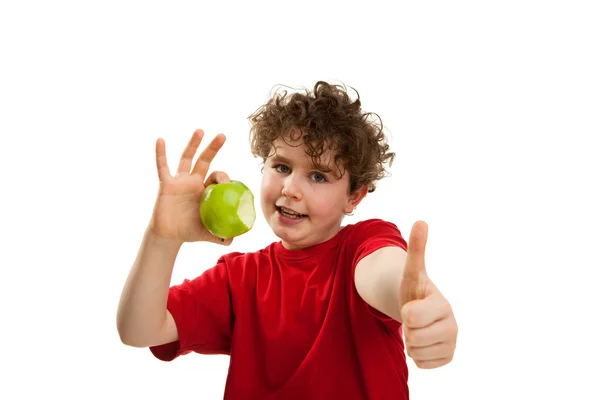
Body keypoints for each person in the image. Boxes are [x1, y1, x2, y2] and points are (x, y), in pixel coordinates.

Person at [116, 81, 458, 399]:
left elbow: (383, 271)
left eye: (318, 175)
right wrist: (162, 238)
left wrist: (416, 303)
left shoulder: (363, 244)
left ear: (354, 197)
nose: (290, 189)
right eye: (281, 167)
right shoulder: (239, 278)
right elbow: (139, 330)